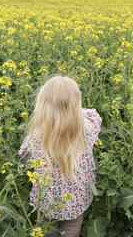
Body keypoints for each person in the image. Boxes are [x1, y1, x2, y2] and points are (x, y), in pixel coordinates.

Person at [19, 75, 102, 237]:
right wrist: (71, 112)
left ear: (43, 105)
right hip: (75, 203)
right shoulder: (86, 130)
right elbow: (95, 116)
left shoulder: (37, 136)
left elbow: (24, 155)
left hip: (46, 203)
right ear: (76, 105)